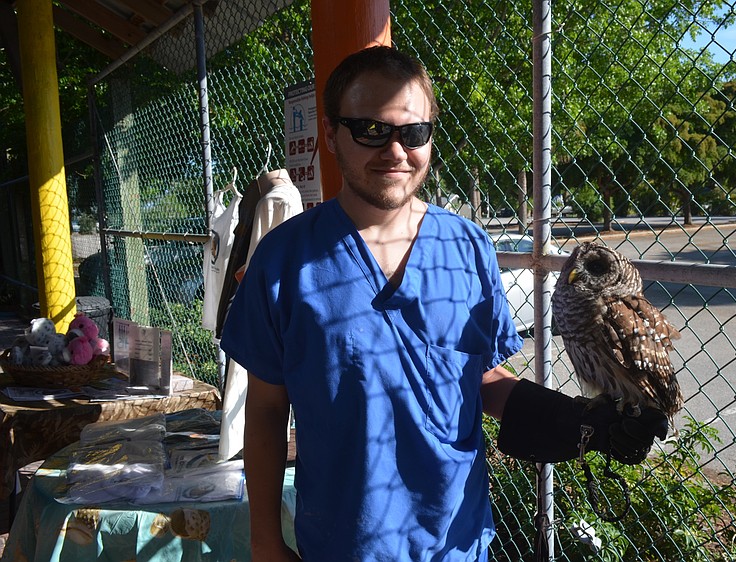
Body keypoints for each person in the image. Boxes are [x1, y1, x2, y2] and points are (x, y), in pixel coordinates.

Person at [219, 45, 667, 562]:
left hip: (458, 540)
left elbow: (478, 379)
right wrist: (265, 541)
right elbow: (268, 409)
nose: (395, 151)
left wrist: (577, 420)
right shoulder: (284, 257)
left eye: (413, 133)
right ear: (329, 133)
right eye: (371, 129)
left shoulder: (468, 246)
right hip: (342, 541)